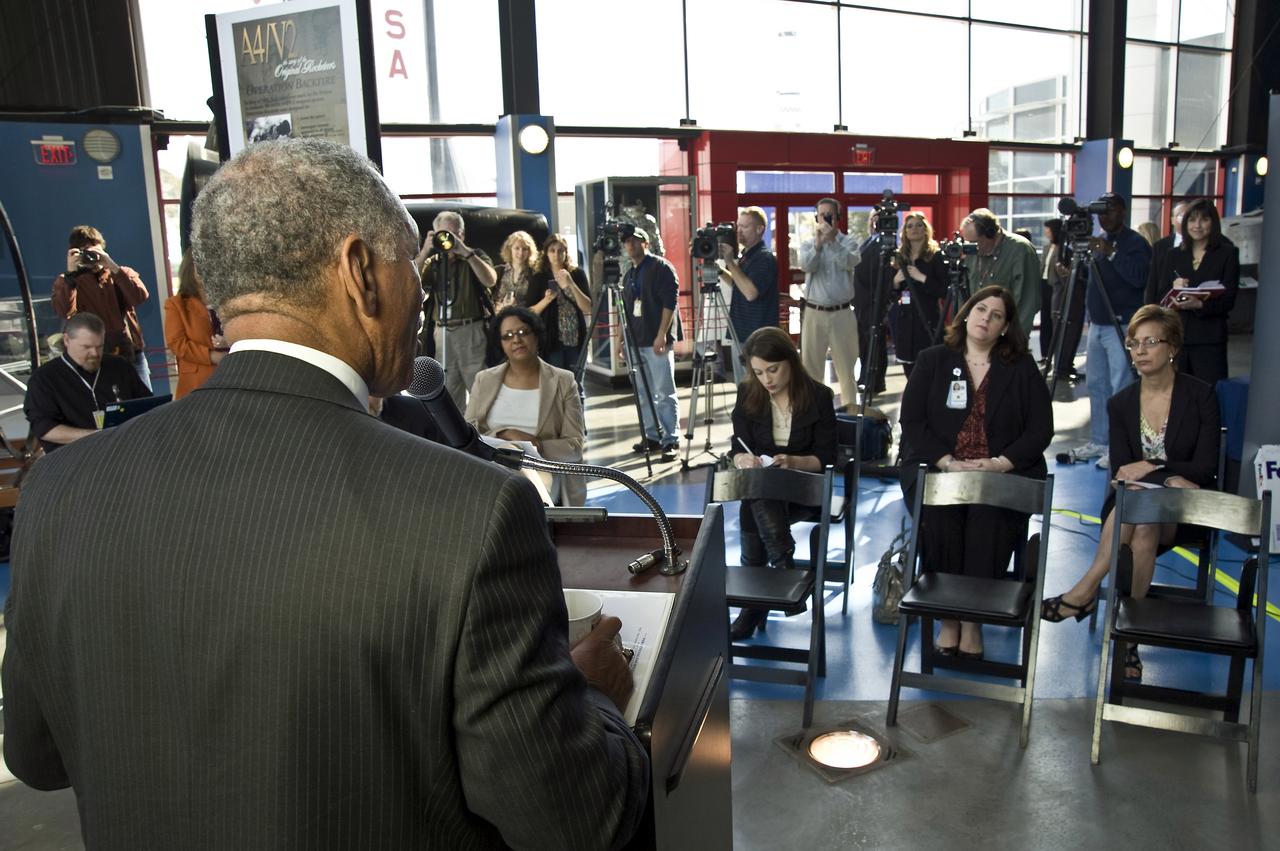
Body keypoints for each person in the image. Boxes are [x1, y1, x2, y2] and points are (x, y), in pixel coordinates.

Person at [2, 138, 648, 849]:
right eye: (410, 266)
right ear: (360, 272)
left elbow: (36, 755)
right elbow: (575, 818)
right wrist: (593, 696)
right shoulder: (473, 511)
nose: (422, 295)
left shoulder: (60, 490)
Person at [1042, 305, 1219, 682]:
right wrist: (1166, 475)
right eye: (1134, 344)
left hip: (1184, 510)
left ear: (1172, 347)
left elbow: (1204, 468)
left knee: (1142, 511)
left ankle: (1084, 592)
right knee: (1143, 524)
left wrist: (1153, 466)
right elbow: (1123, 471)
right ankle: (1130, 636)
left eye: (1150, 342)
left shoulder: (1201, 396)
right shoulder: (1121, 403)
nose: (1139, 351)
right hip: (1134, 504)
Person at [898, 285, 1053, 657]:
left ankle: (973, 620)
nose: (986, 318)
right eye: (981, 309)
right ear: (966, 314)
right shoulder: (933, 360)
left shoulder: (1021, 367)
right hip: (941, 468)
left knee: (988, 518)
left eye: (996, 315)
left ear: (1006, 327)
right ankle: (949, 617)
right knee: (942, 517)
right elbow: (912, 422)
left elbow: (1040, 429)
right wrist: (948, 463)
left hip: (1001, 473)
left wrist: (999, 464)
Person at [727, 327, 837, 640]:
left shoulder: (818, 396)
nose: (767, 379)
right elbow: (737, 446)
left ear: (791, 360)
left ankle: (754, 603)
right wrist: (742, 460)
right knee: (759, 491)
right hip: (766, 491)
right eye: (759, 372)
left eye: (773, 369)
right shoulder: (748, 393)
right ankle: (783, 567)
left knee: (756, 498)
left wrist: (794, 462)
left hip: (805, 490)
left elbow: (827, 458)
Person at [465, 306, 587, 506]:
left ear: (536, 336)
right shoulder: (484, 380)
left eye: (523, 332)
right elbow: (468, 434)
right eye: (507, 336)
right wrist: (506, 437)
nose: (516, 340)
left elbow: (574, 447)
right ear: (500, 344)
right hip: (491, 471)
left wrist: (534, 445)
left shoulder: (563, 381)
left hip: (544, 473)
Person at [1074, 193, 1153, 467]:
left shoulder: (1135, 243)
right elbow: (1093, 281)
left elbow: (1139, 278)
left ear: (1123, 212)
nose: (1104, 217)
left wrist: (1111, 252)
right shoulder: (1098, 242)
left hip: (1122, 323)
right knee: (1096, 384)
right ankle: (1100, 439)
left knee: (1121, 386)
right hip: (1097, 324)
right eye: (1100, 212)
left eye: (1110, 210)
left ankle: (1120, 446)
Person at [22, 312, 151, 452]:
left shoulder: (119, 366)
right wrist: (98, 436)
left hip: (125, 452)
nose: (94, 353)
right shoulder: (44, 378)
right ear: (67, 340)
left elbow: (147, 407)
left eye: (99, 346)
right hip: (73, 458)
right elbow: (44, 429)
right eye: (86, 347)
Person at [51, 224, 152, 391]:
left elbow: (140, 297)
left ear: (103, 249)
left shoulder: (121, 273)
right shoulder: (67, 281)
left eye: (95, 252)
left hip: (130, 353)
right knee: (103, 402)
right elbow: (64, 311)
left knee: (144, 401)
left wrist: (112, 266)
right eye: (86, 253)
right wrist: (71, 276)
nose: (92, 258)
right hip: (94, 358)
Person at [1150, 199, 1239, 385]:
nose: (1197, 225)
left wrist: (1200, 304)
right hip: (1176, 337)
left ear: (1213, 223)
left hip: (1210, 339)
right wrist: (1173, 288)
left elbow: (1229, 300)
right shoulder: (1173, 255)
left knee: (1209, 392)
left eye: (1204, 220)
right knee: (1176, 392)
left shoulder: (1227, 253)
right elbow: (1160, 296)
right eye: (1192, 220)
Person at [417, 210, 498, 409]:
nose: (449, 239)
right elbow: (412, 282)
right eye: (444, 234)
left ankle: (485, 427)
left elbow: (490, 280)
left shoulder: (475, 256)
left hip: (471, 330)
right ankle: (457, 428)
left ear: (462, 234)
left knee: (480, 387)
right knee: (449, 390)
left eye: (454, 234)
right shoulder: (433, 262)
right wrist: (426, 250)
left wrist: (465, 252)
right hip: (442, 332)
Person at [622, 227, 680, 460]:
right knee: (643, 394)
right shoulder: (628, 275)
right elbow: (625, 310)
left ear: (646, 243)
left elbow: (670, 302)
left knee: (664, 392)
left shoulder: (661, 267)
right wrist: (621, 341)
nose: (631, 245)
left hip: (656, 342)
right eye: (627, 241)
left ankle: (671, 439)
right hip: (635, 342)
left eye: (635, 240)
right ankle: (652, 436)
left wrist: (662, 334)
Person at [799, 197, 861, 407]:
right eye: (821, 215)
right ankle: (814, 413)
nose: (825, 219)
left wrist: (833, 242)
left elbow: (850, 262)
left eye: (829, 215)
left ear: (838, 217)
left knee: (847, 369)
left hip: (842, 314)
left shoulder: (849, 242)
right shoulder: (808, 243)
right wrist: (818, 245)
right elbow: (806, 266)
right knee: (810, 370)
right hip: (814, 313)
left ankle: (851, 412)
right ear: (816, 217)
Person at [961, 208, 1041, 338]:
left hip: (1006, 333)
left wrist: (1014, 339)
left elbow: (1028, 301)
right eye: (967, 242)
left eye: (974, 242)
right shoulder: (973, 253)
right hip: (978, 333)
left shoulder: (1020, 250)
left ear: (990, 234)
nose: (970, 247)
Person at [890, 211, 947, 378]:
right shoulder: (899, 257)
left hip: (928, 318)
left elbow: (944, 290)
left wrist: (921, 277)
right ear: (905, 232)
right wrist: (895, 282)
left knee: (930, 367)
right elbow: (891, 294)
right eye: (909, 226)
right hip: (904, 321)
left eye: (918, 225)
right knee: (910, 371)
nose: (914, 229)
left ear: (925, 229)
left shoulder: (936, 256)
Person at [163, 252, 227, 399]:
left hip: (231, 377)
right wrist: (212, 356)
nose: (208, 269)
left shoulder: (228, 301)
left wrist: (228, 341)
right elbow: (177, 343)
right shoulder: (176, 304)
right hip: (196, 384)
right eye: (202, 264)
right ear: (190, 269)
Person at [526, 233, 592, 373]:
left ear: (566, 253)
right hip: (551, 341)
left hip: (575, 338)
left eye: (560, 251)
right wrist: (547, 300)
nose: (556, 255)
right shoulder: (539, 277)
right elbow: (529, 312)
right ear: (546, 253)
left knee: (576, 380)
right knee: (555, 380)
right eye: (552, 250)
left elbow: (588, 307)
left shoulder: (577, 274)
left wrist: (571, 284)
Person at [719, 206, 779, 361]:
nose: (739, 231)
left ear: (759, 229)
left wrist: (730, 262)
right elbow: (738, 284)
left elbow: (751, 293)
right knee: (742, 377)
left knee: (753, 376)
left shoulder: (764, 258)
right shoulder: (747, 255)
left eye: (744, 227)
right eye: (738, 226)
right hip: (741, 331)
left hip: (757, 335)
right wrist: (718, 270)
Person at [853, 210, 889, 396]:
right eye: (873, 217)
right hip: (862, 303)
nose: (875, 221)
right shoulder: (868, 241)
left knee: (875, 342)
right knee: (864, 343)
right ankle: (865, 378)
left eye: (879, 217)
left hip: (873, 301)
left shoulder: (884, 243)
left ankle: (875, 381)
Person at [1145, 200, 1190, 305]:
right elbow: (1153, 280)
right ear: (1172, 220)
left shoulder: (1202, 245)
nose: (1185, 219)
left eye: (1189, 216)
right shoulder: (1160, 246)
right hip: (1164, 304)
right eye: (1181, 216)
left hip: (1191, 304)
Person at [493, 229, 539, 311]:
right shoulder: (498, 271)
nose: (521, 253)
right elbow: (489, 300)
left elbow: (536, 304)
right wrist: (499, 307)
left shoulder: (535, 275)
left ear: (529, 251)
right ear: (510, 249)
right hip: (500, 316)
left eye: (524, 249)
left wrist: (517, 306)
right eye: (517, 248)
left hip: (524, 317)